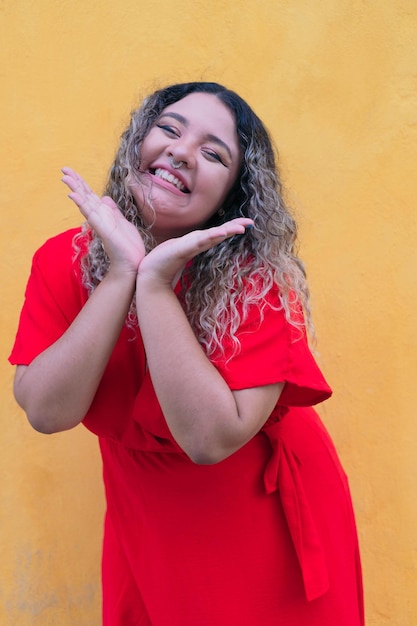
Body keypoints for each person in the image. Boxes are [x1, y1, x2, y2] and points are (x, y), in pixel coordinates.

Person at [9, 82, 364, 625]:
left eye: (213, 152)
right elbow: (47, 411)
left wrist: (153, 287)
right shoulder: (64, 260)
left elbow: (208, 439)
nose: (181, 151)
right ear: (138, 144)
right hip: (142, 508)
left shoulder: (253, 282)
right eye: (169, 130)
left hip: (253, 511)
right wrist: (122, 272)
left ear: (233, 195)